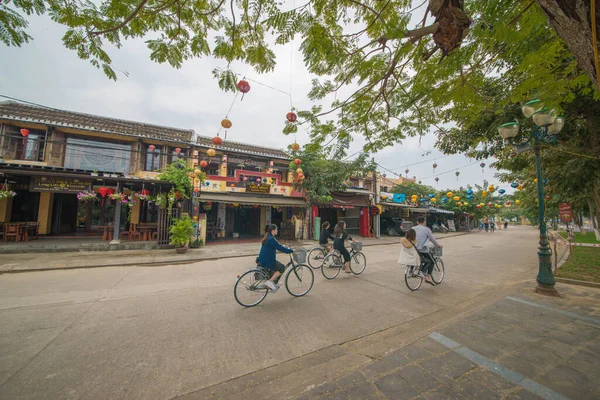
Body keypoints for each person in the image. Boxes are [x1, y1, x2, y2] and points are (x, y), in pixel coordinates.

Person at [258, 224, 294, 292]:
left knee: (276, 267)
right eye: (276, 229)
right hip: (267, 261)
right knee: (282, 268)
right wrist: (290, 250)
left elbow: (278, 245)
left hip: (262, 259)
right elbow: (280, 247)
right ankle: (269, 282)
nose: (277, 231)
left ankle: (272, 283)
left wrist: (285, 247)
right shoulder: (271, 239)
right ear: (273, 230)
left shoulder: (268, 237)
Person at [413, 216, 442, 285]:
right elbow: (432, 239)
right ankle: (428, 276)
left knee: (424, 259)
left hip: (414, 249)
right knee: (432, 261)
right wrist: (438, 245)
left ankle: (414, 270)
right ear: (424, 222)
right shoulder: (426, 229)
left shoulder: (413, 228)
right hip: (422, 249)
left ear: (417, 222)